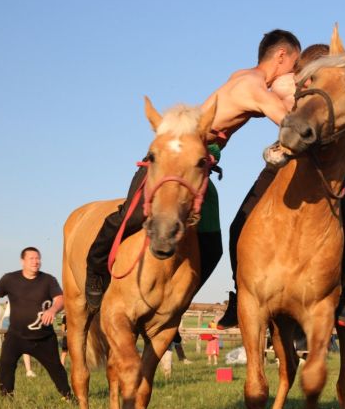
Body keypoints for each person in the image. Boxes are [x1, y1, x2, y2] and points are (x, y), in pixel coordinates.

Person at [84, 29, 301, 314]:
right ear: (281, 56)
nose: (293, 72)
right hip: (177, 154)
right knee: (133, 215)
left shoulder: (244, 76)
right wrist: (292, 92)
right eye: (294, 65)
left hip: (201, 165)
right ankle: (96, 269)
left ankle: (177, 304)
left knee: (212, 247)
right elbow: (293, 125)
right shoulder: (253, 87)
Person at [223, 43, 345, 328]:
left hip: (327, 171)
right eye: (302, 73)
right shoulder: (290, 87)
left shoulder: (337, 93)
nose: (302, 77)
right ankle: (240, 292)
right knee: (240, 221)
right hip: (285, 161)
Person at [0, 247, 71, 398]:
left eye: (38, 258)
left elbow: (60, 299)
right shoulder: (10, 279)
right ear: (22, 261)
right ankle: (6, 399)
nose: (36, 261)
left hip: (43, 338)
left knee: (56, 369)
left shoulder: (48, 280)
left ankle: (67, 397)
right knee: (5, 365)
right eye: (32, 258)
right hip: (16, 336)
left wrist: (53, 310)